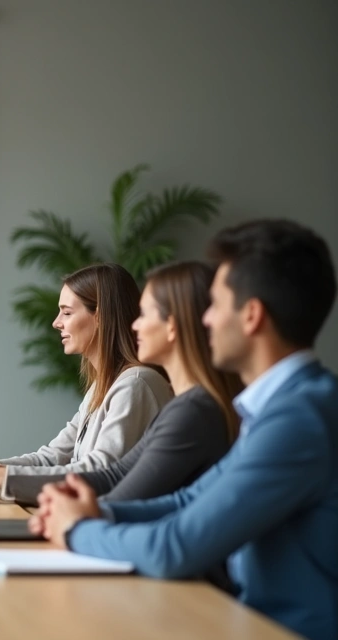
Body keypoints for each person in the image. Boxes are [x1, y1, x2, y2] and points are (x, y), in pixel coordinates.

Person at [33, 220, 338, 640]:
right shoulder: (282, 406)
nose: (203, 319)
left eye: (213, 305)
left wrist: (79, 529)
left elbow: (175, 548)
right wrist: (99, 512)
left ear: (251, 316)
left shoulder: (299, 419)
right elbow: (187, 500)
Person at [6, 261, 242, 504]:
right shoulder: (116, 390)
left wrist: (1, 478)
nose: (135, 324)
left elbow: (110, 483)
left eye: (145, 315)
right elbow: (112, 479)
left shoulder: (150, 389)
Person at [0, 263, 173, 494]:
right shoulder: (103, 387)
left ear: (101, 317)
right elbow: (53, 457)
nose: (57, 322)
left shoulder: (136, 384)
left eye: (66, 312)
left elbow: (101, 471)